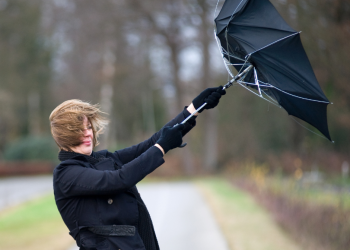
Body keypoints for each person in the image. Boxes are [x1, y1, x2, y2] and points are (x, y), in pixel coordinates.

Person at [50, 86, 226, 250]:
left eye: (88, 127)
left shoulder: (102, 159)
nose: (88, 133)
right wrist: (161, 148)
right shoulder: (66, 174)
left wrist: (193, 110)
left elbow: (150, 144)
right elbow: (118, 180)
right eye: (80, 130)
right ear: (66, 136)